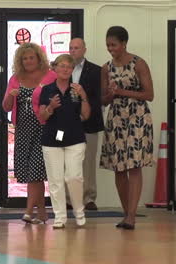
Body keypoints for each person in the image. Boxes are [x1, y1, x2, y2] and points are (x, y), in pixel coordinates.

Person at [100, 26, 154, 230]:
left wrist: (122, 91)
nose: (110, 49)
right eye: (108, 45)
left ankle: (132, 215)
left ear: (124, 43)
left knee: (134, 166)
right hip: (116, 119)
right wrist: (111, 94)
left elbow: (149, 94)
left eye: (113, 45)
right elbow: (103, 100)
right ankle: (125, 213)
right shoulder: (106, 68)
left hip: (137, 117)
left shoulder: (138, 64)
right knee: (118, 168)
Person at [3, 42, 56, 224]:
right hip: (23, 130)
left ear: (38, 58)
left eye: (31, 57)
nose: (28, 61)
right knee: (33, 174)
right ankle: (41, 213)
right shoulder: (15, 78)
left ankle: (28, 211)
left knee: (35, 170)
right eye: (24, 58)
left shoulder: (50, 76)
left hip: (44, 128)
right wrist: (12, 95)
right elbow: (6, 107)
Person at [39, 54, 91, 229]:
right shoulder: (47, 90)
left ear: (72, 70)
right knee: (55, 179)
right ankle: (59, 216)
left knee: (74, 176)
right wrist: (51, 107)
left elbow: (86, 115)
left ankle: (79, 212)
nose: (65, 69)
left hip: (75, 138)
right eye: (61, 66)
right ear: (54, 68)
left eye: (68, 67)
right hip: (52, 139)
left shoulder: (77, 89)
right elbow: (42, 117)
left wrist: (83, 96)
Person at [67, 37, 104, 211]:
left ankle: (89, 198)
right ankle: (68, 199)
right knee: (67, 161)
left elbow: (99, 98)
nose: (73, 51)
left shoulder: (96, 71)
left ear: (84, 50)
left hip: (89, 123)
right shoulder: (62, 69)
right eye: (71, 48)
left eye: (76, 48)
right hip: (66, 124)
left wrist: (84, 115)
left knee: (88, 161)